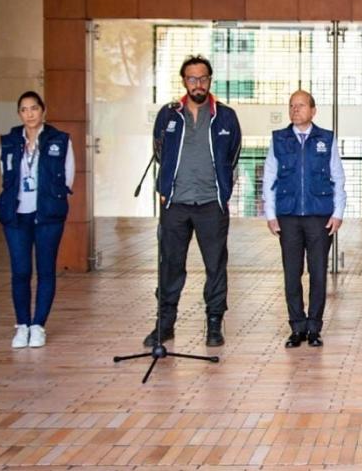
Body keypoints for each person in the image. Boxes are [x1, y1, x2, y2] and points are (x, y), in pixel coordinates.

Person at [148, 55, 241, 348]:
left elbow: (233, 154)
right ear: (184, 81)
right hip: (175, 204)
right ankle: (165, 324)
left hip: (211, 204)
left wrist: (223, 191)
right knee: (170, 265)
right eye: (192, 79)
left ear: (210, 81)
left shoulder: (225, 116)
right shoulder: (169, 114)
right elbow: (159, 151)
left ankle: (214, 324)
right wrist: (166, 187)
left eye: (203, 78)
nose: (198, 84)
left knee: (215, 266)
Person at [261, 90, 346, 348]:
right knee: (292, 273)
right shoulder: (279, 139)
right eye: (291, 106)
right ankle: (296, 326)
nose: (295, 110)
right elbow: (269, 178)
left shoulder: (326, 139)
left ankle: (314, 327)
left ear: (313, 110)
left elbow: (338, 177)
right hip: (288, 217)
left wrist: (338, 212)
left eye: (300, 105)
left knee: (318, 273)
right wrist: (271, 214)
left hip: (319, 216)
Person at [0, 91, 74, 348]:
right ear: (19, 113)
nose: (29, 114)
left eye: (33, 108)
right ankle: (22, 325)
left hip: (48, 215)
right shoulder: (9, 140)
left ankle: (38, 325)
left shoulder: (60, 140)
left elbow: (68, 176)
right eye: (23, 109)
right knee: (20, 271)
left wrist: (51, 200)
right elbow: (6, 176)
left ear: (43, 110)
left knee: (45, 270)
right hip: (16, 215)